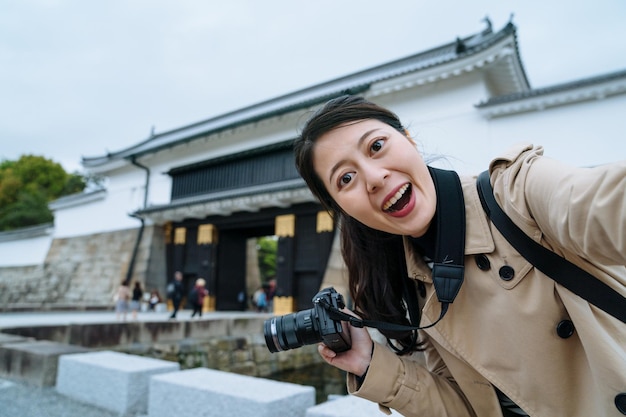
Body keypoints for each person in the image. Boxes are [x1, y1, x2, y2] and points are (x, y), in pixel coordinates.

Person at [293, 95, 626, 416]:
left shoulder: (517, 193)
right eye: (346, 179)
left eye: (377, 146)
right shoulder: (416, 282)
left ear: (409, 139)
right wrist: (369, 365)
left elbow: (605, 205)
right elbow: (470, 408)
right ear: (342, 209)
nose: (375, 177)